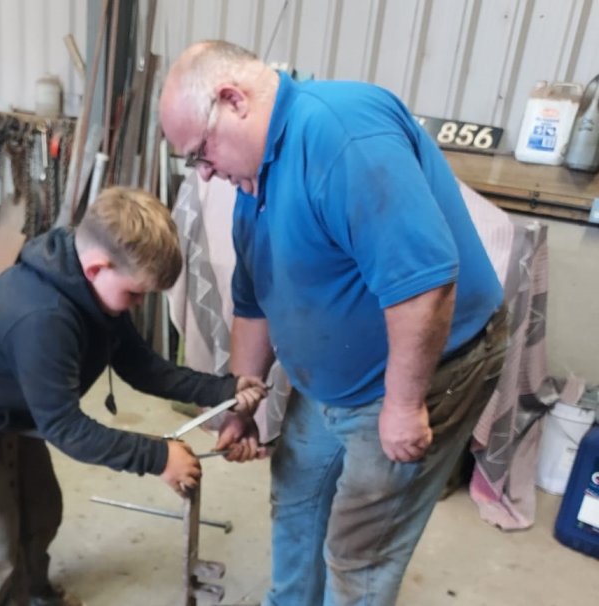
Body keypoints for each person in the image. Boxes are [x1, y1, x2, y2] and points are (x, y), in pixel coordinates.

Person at [162, 41, 508, 605]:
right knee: (296, 498)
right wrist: (240, 404)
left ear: (233, 101)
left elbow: (425, 284)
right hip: (330, 383)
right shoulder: (253, 181)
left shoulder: (341, 137)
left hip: (418, 371)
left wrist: (402, 404)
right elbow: (254, 304)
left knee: (361, 547)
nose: (204, 174)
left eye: (201, 152)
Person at [0, 186, 267, 606]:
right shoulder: (44, 318)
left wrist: (223, 390)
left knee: (41, 510)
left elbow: (142, 367)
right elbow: (65, 429)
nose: (136, 305)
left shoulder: (94, 294)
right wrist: (158, 457)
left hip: (8, 402)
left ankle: (35, 593)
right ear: (96, 268)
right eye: (134, 293)